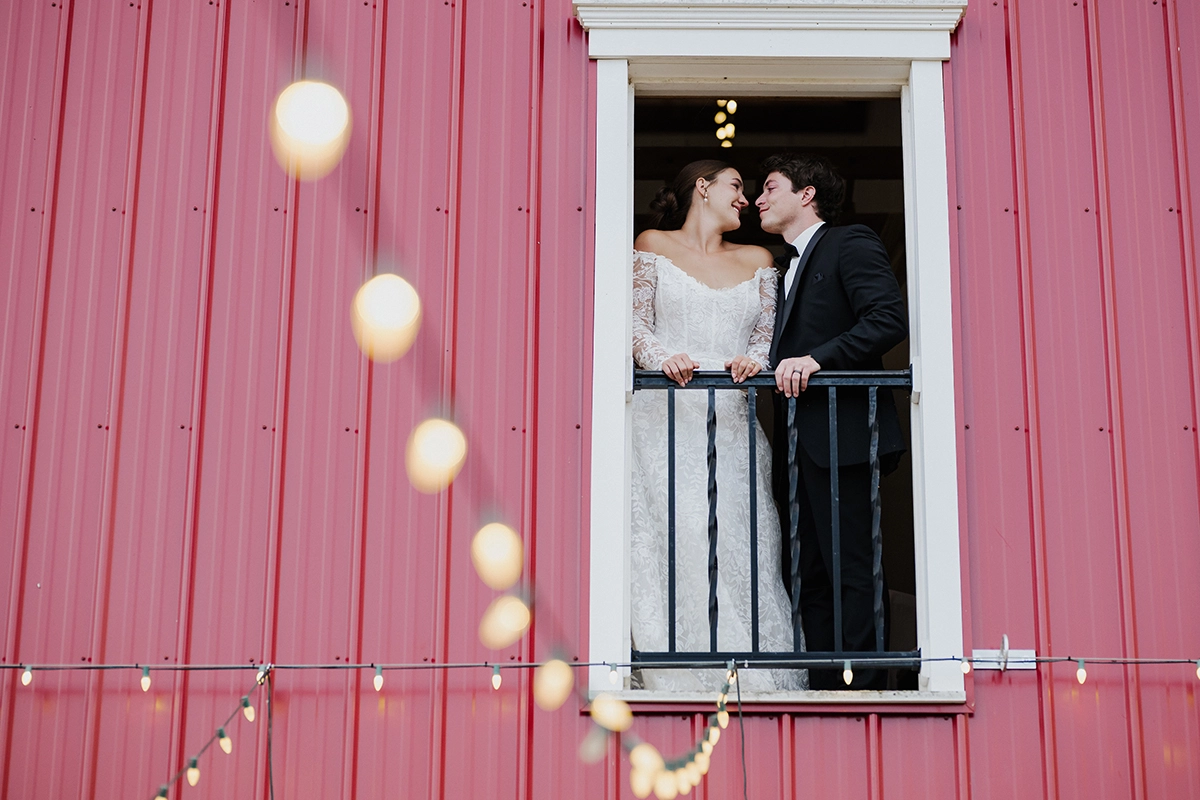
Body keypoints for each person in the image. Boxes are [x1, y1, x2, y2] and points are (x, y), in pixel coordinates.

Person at [630, 159, 805, 692]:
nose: (746, 199)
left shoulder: (759, 258)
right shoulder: (652, 245)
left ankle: (747, 672)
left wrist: (755, 361)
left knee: (740, 540)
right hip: (662, 426)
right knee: (673, 533)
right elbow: (634, 326)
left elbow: (764, 338)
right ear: (702, 189)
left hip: (730, 427)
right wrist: (661, 358)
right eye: (737, 186)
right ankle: (674, 667)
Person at [755, 153, 907, 690]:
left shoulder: (850, 241)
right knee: (810, 574)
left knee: (853, 567)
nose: (758, 198)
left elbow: (888, 317)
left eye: (770, 187)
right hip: (798, 444)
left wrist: (818, 359)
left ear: (807, 193)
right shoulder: (779, 265)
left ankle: (863, 687)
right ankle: (823, 683)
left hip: (843, 435)